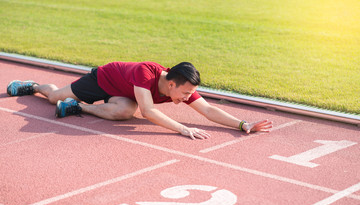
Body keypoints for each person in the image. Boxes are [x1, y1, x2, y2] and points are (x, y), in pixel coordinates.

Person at [7, 61, 272, 139]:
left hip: (122, 94)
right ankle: (32, 86)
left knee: (124, 111)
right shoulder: (145, 73)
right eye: (185, 93)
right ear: (171, 84)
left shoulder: (180, 87)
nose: (188, 98)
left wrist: (242, 124)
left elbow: (209, 110)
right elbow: (147, 111)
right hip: (103, 80)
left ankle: (79, 108)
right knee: (53, 97)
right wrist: (183, 128)